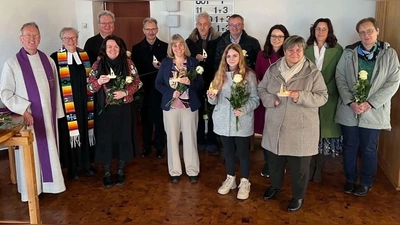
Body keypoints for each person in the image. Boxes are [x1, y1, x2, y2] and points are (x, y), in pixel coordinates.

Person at [258, 35, 328, 212]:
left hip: (301, 128)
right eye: (290, 49)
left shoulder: (312, 72)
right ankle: (275, 186)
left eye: (298, 49)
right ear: (284, 50)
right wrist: (270, 99)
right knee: (275, 162)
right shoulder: (274, 69)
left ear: (303, 51)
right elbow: (261, 89)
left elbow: (322, 96)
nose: (294, 53)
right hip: (276, 124)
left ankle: (298, 196)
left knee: (299, 168)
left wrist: (301, 96)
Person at [0, 22, 66, 201]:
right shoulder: (12, 64)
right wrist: (23, 110)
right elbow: (5, 93)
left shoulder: (48, 60)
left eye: (35, 35)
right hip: (28, 119)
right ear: (21, 39)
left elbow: (56, 90)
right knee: (31, 154)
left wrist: (58, 112)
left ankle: (51, 185)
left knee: (50, 150)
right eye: (28, 36)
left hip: (48, 119)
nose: (32, 39)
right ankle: (31, 189)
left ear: (40, 38)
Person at [335, 17, 400, 197]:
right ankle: (349, 179)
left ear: (377, 31)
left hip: (373, 111)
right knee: (349, 146)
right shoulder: (349, 52)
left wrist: (371, 103)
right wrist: (350, 102)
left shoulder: (389, 54)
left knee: (369, 148)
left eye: (369, 31)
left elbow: (393, 82)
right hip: (350, 109)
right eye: (362, 32)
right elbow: (340, 77)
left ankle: (365, 182)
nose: (366, 35)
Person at [87, 35, 142, 188]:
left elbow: (138, 82)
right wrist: (99, 82)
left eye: (116, 47)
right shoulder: (98, 65)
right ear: (104, 49)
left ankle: (121, 170)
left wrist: (126, 92)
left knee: (124, 138)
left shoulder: (128, 63)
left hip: (124, 108)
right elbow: (90, 87)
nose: (113, 49)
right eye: (110, 47)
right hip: (105, 110)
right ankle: (106, 172)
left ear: (120, 49)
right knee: (105, 139)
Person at [207, 43, 259, 200]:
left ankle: (245, 181)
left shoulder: (249, 75)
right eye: (228, 56)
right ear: (225, 58)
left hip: (241, 120)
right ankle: (231, 178)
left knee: (242, 152)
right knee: (228, 152)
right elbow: (213, 101)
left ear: (240, 57)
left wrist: (243, 109)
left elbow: (255, 99)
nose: (231, 59)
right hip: (223, 121)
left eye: (234, 56)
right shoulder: (220, 74)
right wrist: (211, 97)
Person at [155, 34, 204, 184]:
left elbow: (201, 85)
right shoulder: (165, 63)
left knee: (190, 139)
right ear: (171, 48)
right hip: (171, 107)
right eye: (174, 45)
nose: (178, 48)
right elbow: (158, 84)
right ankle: (175, 171)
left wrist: (190, 82)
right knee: (172, 139)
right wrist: (171, 92)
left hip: (189, 107)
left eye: (180, 44)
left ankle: (192, 170)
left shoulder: (193, 62)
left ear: (185, 46)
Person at [50, 27, 96, 180]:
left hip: (84, 102)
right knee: (69, 136)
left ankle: (86, 164)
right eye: (67, 38)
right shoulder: (55, 58)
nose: (71, 41)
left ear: (77, 38)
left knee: (84, 131)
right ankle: (72, 168)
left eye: (74, 37)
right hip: (66, 104)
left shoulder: (85, 55)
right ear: (62, 40)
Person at [304, 18, 343, 183]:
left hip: (330, 95)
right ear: (313, 30)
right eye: (318, 28)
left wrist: (326, 90)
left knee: (323, 134)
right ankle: (310, 166)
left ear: (329, 31)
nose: (320, 32)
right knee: (309, 132)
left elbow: (340, 73)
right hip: (309, 95)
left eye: (324, 29)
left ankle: (319, 167)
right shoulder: (305, 49)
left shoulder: (337, 50)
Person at [254, 24, 290, 178]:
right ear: (269, 38)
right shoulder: (262, 55)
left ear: (285, 39)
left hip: (283, 100)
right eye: (273, 36)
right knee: (267, 133)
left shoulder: (288, 55)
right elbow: (257, 76)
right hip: (266, 99)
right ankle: (268, 163)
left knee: (281, 133)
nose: (276, 39)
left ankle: (280, 164)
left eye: (280, 37)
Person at [131, 17, 168, 159]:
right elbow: (134, 71)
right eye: (148, 29)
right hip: (144, 90)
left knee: (159, 119)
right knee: (146, 120)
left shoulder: (165, 47)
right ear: (143, 30)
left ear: (157, 30)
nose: (150, 32)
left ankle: (159, 147)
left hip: (160, 90)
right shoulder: (136, 48)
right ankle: (146, 147)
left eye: (153, 29)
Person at [186, 11, 221, 156]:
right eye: (199, 24)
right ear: (196, 25)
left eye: (205, 24)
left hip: (213, 80)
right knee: (198, 110)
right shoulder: (189, 41)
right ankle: (200, 140)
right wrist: (196, 59)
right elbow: (186, 62)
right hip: (196, 82)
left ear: (210, 25)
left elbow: (220, 60)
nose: (202, 27)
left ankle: (212, 141)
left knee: (213, 111)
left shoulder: (218, 40)